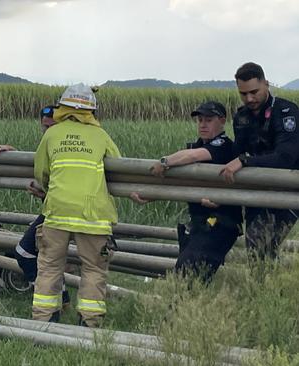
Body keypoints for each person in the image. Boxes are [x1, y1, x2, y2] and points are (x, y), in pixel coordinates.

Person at [31, 83, 120, 327]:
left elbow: (41, 172)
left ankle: (44, 322)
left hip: (57, 212)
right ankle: (89, 324)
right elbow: (120, 167)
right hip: (93, 215)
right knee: (93, 270)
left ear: (63, 107)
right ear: (91, 111)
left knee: (49, 268)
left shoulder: (52, 134)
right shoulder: (101, 136)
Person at [130, 101, 243, 281]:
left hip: (220, 223)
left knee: (186, 277)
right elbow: (182, 182)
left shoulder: (223, 145)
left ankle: (182, 306)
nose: (203, 124)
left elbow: (193, 156)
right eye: (200, 120)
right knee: (190, 277)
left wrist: (164, 162)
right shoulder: (196, 145)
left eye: (208, 120)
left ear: (222, 121)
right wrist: (150, 195)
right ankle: (190, 307)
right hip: (201, 223)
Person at [221, 62, 299, 260]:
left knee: (263, 245)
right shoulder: (241, 117)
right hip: (256, 190)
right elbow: (236, 151)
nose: (249, 98)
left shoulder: (286, 113)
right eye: (243, 94)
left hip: (286, 190)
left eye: (254, 92)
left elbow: (285, 158)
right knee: (256, 252)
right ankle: (264, 288)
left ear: (266, 84)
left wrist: (245, 161)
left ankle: (267, 287)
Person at [0, 106, 70, 305]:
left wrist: (44, 193)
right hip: (56, 207)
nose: (47, 132)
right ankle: (61, 297)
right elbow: (42, 168)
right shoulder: (54, 143)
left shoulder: (62, 144)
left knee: (27, 252)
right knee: (42, 256)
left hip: (60, 210)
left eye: (51, 127)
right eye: (44, 128)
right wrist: (14, 155)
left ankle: (51, 297)